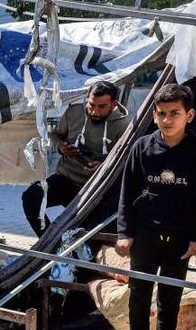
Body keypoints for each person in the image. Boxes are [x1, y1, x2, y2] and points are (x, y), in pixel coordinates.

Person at [115, 84, 196, 330]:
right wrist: (125, 233)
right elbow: (126, 193)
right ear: (154, 116)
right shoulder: (142, 148)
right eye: (161, 114)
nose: (167, 120)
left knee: (170, 301)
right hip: (145, 235)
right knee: (138, 299)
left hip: (180, 239)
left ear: (189, 115)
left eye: (175, 113)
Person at [22, 80, 130, 236]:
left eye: (102, 107)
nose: (94, 112)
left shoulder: (123, 126)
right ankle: (49, 243)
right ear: (87, 98)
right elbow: (55, 135)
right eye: (92, 105)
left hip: (96, 190)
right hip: (67, 179)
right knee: (31, 197)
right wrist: (61, 146)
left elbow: (126, 160)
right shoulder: (74, 113)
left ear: (114, 104)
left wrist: (104, 167)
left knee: (90, 231)